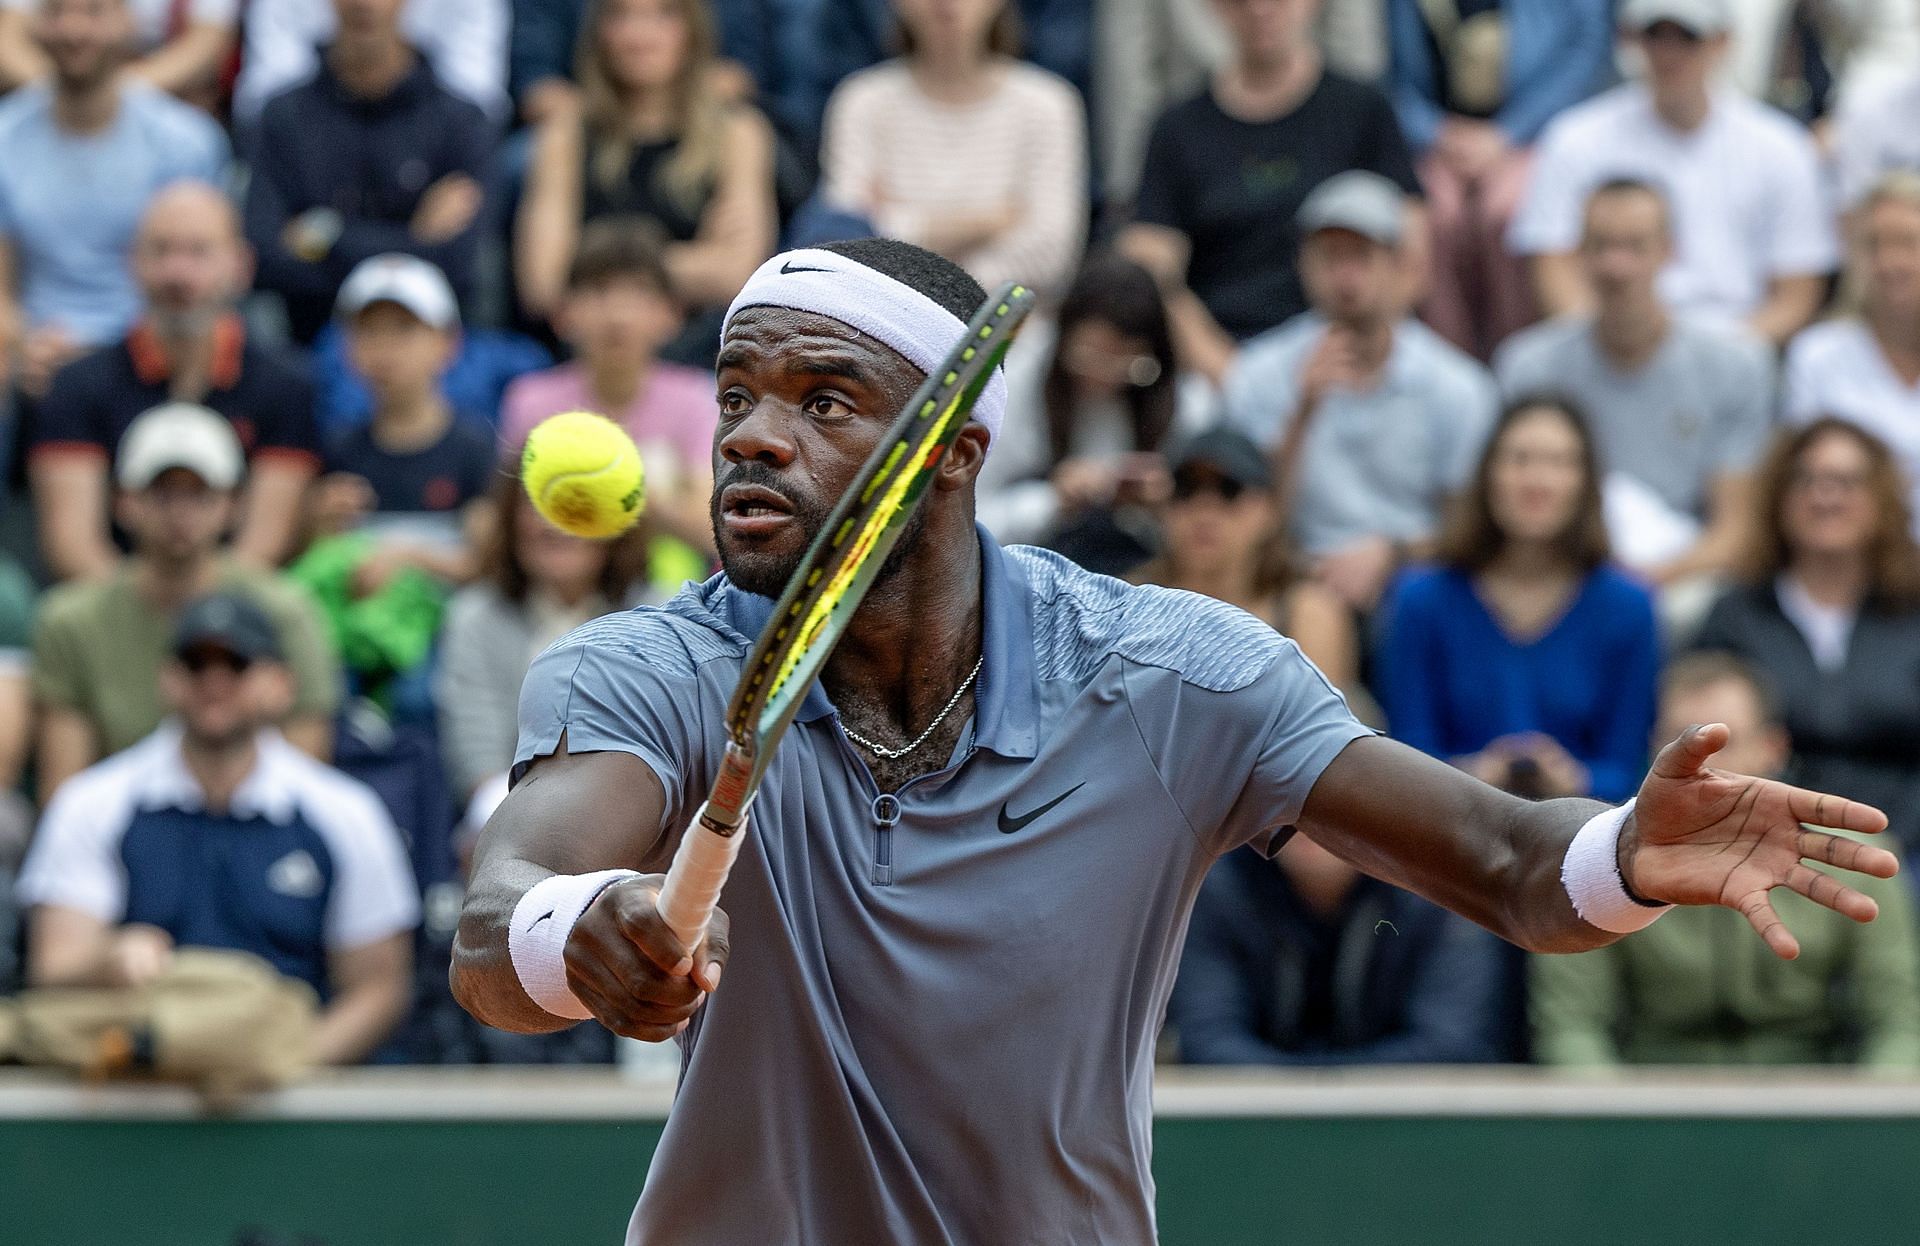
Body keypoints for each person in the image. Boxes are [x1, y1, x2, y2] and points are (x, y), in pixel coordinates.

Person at [450, 238, 1900, 1244]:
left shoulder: (1168, 670)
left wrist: (1625, 855)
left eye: (825, 400)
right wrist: (588, 928)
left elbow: (1511, 863)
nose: (753, 437)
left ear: (954, 449)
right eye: (739, 396)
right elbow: (503, 910)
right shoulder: (651, 664)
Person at [18, 592, 419, 1067]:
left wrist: (284, 1067)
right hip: (131, 1079)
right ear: (167, 679)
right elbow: (53, 968)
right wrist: (108, 961)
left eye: (236, 663)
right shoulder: (91, 802)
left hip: (289, 1086)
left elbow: (379, 987)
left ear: (282, 683)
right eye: (195, 662)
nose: (214, 680)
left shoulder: (345, 812)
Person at [1531, 652, 1920, 1069]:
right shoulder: (1603, 859)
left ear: (1773, 749)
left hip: (1808, 1099)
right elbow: (1572, 1029)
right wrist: (1612, 1121)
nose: (1701, 767)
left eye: (1724, 745)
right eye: (1678, 747)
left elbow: (1899, 1024)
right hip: (1652, 1101)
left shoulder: (1854, 860)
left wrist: (1861, 1121)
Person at [31, 404, 341, 806]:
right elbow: (63, 795)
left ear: (232, 504)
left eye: (200, 493)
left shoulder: (286, 611)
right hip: (119, 833)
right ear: (124, 501)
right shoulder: (71, 620)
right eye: (162, 493)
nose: (181, 513)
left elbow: (305, 786)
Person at [1223, 171, 1498, 614]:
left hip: (1414, 580)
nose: (1345, 277)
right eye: (1330, 257)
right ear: (1303, 265)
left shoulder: (1457, 385)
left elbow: (1470, 525)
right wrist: (1303, 411)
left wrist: (1392, 555)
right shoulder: (1257, 374)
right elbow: (1247, 522)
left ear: (1398, 265)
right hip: (1291, 579)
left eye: (1361, 257)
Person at [29, 182, 321, 582]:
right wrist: (139, 617)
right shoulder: (77, 387)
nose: (177, 272)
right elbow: (73, 546)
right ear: (131, 263)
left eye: (199, 251)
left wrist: (202, 624)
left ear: (241, 266)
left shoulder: (287, 387)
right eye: (161, 250)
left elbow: (264, 545)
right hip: (112, 613)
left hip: (234, 621)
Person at [1121, 0, 1422, 386]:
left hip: (1346, 353)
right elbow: (1152, 267)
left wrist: (1358, 354)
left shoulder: (1363, 110)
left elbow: (1412, 248)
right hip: (1220, 361)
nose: (1260, 10)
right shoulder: (1176, 128)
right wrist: (1230, 374)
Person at [1378, 396, 1661, 804]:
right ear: (1487, 474)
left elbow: (1626, 768)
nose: (1537, 481)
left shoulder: (1630, 607)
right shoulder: (1421, 599)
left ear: (1586, 482)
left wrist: (1571, 778)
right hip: (1449, 828)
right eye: (1519, 459)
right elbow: (1405, 755)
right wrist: (1475, 772)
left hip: (1579, 838)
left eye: (1559, 462)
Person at [1509, 0, 1836, 348]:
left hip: (1735, 343)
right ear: (1632, 40)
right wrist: (1611, 346)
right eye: (1655, 36)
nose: (1669, 52)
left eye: (1687, 37)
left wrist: (1722, 353)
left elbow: (1796, 294)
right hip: (1606, 345)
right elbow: (1553, 266)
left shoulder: (1781, 147)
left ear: (1722, 41)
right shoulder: (1575, 138)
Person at [1494, 179, 1772, 587]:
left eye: (1634, 247)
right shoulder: (1529, 366)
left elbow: (1736, 529)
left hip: (1682, 574)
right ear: (1580, 254)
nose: (1616, 266)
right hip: (1560, 571)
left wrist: (1646, 581)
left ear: (1668, 251)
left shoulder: (1735, 367)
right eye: (1601, 246)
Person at [1692, 419, 1920, 864]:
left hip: (1906, 849)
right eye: (1806, 479)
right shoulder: (1736, 617)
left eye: (1847, 481)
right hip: (1756, 847)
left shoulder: (1912, 612)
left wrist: (1891, 844)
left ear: (1882, 500)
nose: (1825, 496)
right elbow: (1696, 742)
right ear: (1778, 497)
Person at [514, 0, 777, 360]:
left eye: (663, 14)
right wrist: (690, 264)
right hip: (586, 356)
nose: (639, 35)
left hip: (703, 355)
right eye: (620, 16)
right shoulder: (566, 133)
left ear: (692, 31)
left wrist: (596, 272)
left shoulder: (738, 132)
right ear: (597, 34)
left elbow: (738, 274)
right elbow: (542, 282)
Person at [0, 0, 227, 397]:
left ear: (128, 21)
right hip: (32, 360)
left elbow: (203, 277)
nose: (74, 31)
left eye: (93, 12)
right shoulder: (4, 137)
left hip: (154, 355)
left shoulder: (186, 143)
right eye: (56, 12)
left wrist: (102, 358)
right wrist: (24, 345)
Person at [244, 0, 495, 344]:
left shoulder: (460, 122)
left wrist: (323, 236)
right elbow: (264, 259)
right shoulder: (283, 116)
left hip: (426, 351)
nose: (363, 4)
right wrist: (414, 239)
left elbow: (460, 265)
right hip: (306, 343)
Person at [1385, 0, 1614, 358]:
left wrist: (1508, 133)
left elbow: (1586, 54)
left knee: (1507, 215)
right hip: (1439, 137)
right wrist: (1435, 133)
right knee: (1434, 219)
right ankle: (1453, 369)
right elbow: (1392, 75)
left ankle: (1516, 366)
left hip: (1534, 130)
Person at [820, 0, 1087, 299]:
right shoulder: (862, 101)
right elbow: (848, 239)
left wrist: (901, 222)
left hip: (1011, 331)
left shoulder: (1047, 105)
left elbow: (1050, 256)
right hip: (883, 320)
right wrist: (988, 222)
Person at [1169, 834, 1508, 1065]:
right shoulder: (1215, 885)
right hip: (1252, 1136)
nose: (1314, 813)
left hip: (1410, 1138)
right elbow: (1207, 1040)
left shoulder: (1441, 890)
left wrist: (1318, 1089)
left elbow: (1451, 1043)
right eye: (1291, 788)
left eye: (1344, 791)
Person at [436, 472, 661, 809]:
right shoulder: (475, 618)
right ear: (511, 521)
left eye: (578, 501)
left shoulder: (659, 618)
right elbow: (479, 766)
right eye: (541, 502)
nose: (558, 521)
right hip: (508, 822)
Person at [499, 216, 718, 560]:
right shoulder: (529, 399)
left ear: (672, 315)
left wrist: (617, 491)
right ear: (563, 313)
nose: (618, 314)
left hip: (666, 600)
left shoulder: (696, 397)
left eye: (638, 291)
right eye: (598, 291)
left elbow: (711, 531)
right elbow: (505, 521)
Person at [974, 253, 1203, 563]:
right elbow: (974, 517)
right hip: (1027, 562)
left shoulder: (1184, 403)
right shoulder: (1017, 382)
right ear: (1063, 340)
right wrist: (1054, 500)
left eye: (1127, 363)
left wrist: (1164, 505)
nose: (1104, 378)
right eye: (1090, 357)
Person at [307, 255, 496, 595]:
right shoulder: (339, 449)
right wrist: (320, 528)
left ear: (448, 342)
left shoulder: (475, 450)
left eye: (404, 328)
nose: (384, 348)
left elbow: (486, 565)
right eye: (368, 330)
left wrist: (412, 557)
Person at [1130, 426, 1359, 695]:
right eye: (1186, 489)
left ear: (1268, 510)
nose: (1204, 510)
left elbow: (1320, 732)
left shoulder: (1309, 614)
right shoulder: (1132, 606)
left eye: (1229, 489)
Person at [1784, 173, 1920, 531]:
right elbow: (1807, 478)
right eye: (1874, 244)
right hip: (1858, 560)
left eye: (1908, 243)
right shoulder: (1816, 355)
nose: (1891, 263)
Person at [233, 0, 509, 125]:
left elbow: (481, 97)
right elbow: (262, 94)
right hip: (313, 135)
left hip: (428, 139)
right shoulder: (287, 110)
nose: (364, 5)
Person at [0, 0, 238, 99]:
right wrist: (70, 92)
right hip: (50, 96)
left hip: (168, 100)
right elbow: (7, 41)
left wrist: (110, 96)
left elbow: (208, 43)